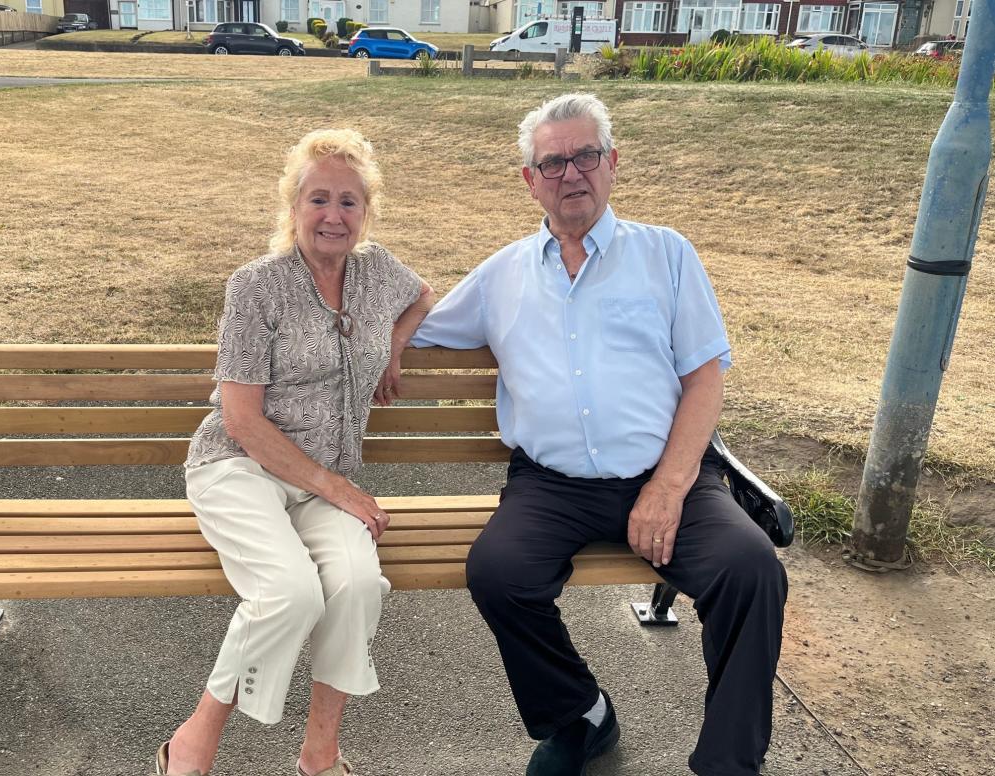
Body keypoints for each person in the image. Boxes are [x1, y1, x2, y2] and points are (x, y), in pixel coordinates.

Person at [410, 93, 788, 776]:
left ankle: (729, 763)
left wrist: (669, 487)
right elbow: (417, 324)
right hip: (550, 486)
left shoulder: (665, 254)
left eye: (585, 155)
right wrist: (364, 318)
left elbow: (705, 378)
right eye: (551, 162)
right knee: (499, 574)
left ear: (612, 163)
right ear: (530, 180)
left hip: (668, 476)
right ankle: (579, 718)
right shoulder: (503, 274)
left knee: (750, 570)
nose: (571, 173)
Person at [159, 128, 434, 776]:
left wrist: (392, 345)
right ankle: (193, 743)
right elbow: (241, 419)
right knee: (290, 593)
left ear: (365, 212)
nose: (333, 215)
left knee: (359, 585)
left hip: (323, 483)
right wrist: (339, 490)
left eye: (347, 201)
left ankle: (319, 755)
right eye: (317, 199)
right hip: (239, 467)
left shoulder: (376, 273)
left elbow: (422, 295)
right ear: (292, 207)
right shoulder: (256, 286)